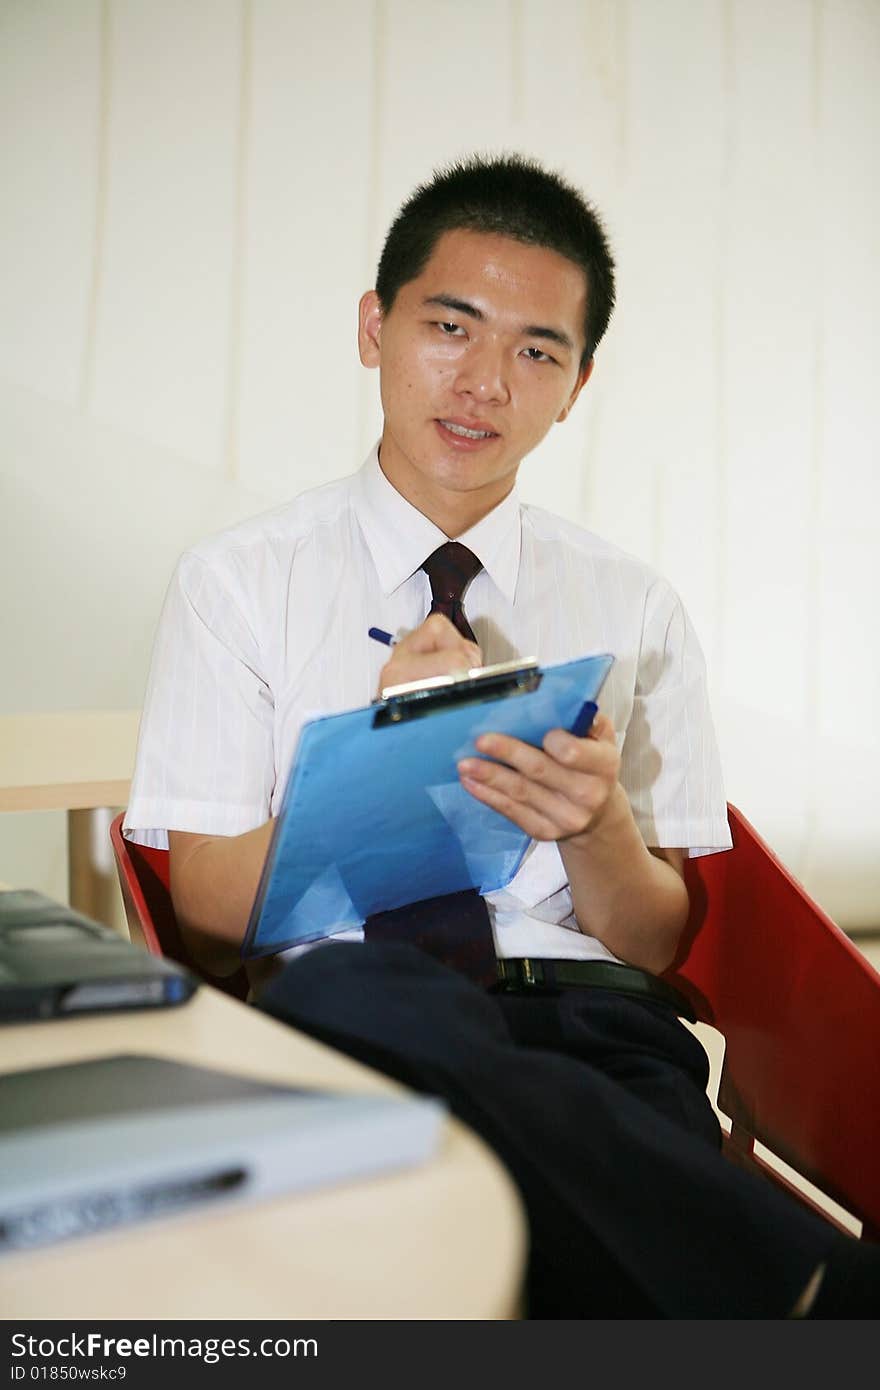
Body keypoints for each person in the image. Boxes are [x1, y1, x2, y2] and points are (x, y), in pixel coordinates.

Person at [124, 154, 877, 1318]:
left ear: (576, 386)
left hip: (594, 1019)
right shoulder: (239, 584)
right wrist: (386, 758)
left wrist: (600, 830)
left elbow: (657, 934)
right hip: (361, 1016)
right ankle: (816, 1290)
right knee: (352, 1004)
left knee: (571, 1170)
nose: (484, 382)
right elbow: (213, 918)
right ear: (375, 327)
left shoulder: (631, 605)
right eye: (451, 326)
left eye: (537, 350)